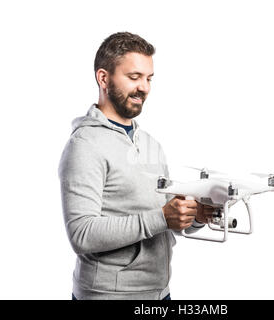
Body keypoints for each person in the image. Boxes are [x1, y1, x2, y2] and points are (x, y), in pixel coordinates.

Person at [58, 32, 212, 300]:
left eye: (149, 78)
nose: (145, 87)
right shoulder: (84, 145)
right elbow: (81, 234)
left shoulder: (151, 144)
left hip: (158, 294)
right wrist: (162, 217)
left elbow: (164, 222)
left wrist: (196, 216)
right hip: (107, 296)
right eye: (134, 77)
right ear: (104, 78)